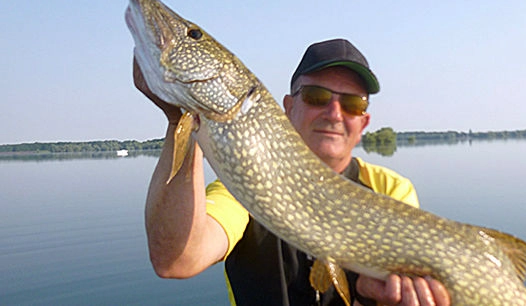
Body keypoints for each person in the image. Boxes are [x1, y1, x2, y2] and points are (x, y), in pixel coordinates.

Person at [134, 38, 450, 306]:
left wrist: (376, 298)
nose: (334, 113)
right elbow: (176, 259)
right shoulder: (241, 185)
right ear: (289, 107)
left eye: (352, 103)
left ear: (364, 122)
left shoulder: (389, 190)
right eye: (317, 97)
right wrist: (182, 121)